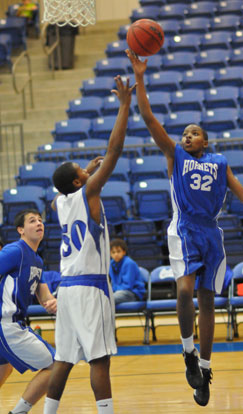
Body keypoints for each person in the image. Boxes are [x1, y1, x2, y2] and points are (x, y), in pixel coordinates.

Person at [126, 49, 243, 407]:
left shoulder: (219, 162)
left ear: (206, 141)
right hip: (184, 228)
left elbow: (242, 192)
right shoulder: (175, 156)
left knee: (208, 300)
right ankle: (187, 350)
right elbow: (149, 118)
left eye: (193, 133)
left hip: (211, 232)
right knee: (184, 292)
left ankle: (205, 368)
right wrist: (139, 77)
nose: (186, 136)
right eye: (183, 133)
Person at [43, 75, 136, 414]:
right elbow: (114, 150)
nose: (87, 170)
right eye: (82, 170)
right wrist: (124, 106)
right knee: (100, 359)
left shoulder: (58, 204)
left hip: (66, 289)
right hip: (90, 288)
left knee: (63, 359)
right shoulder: (89, 193)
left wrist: (85, 173)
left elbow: (63, 188)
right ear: (78, 182)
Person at [0, 209, 57, 413]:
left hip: (10, 325)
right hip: (7, 324)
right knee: (56, 365)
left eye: (41, 220)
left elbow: (43, 293)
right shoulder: (15, 250)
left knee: (3, 370)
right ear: (21, 230)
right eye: (32, 221)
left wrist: (52, 302)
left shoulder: (37, 260)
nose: (39, 223)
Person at [109, 238, 146, 305]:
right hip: (118, 292)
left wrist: (113, 290)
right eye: (113, 252)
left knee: (109, 299)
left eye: (118, 251)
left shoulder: (129, 263)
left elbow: (128, 286)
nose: (116, 254)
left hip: (133, 293)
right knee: (105, 298)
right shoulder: (110, 264)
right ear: (110, 254)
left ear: (124, 252)